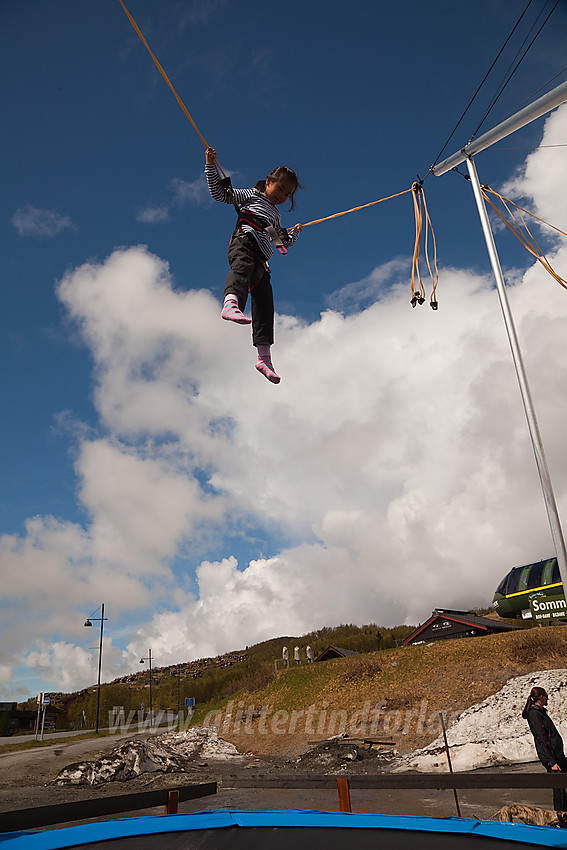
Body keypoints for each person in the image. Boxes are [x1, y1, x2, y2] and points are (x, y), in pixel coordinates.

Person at [205, 148, 302, 384]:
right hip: (244, 243)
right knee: (242, 269)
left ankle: (264, 357)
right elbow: (220, 194)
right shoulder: (252, 195)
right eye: (280, 188)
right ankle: (231, 303)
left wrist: (295, 233)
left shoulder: (276, 218)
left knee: (265, 304)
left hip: (262, 259)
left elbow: (281, 242)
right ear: (268, 182)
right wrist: (210, 165)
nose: (282, 195)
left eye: (287, 194)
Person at [523, 686, 567, 813]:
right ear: (541, 697)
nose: (548, 698)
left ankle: (564, 813)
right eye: (546, 696)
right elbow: (541, 738)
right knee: (558, 789)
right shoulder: (534, 714)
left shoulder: (541, 712)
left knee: (562, 785)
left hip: (556, 754)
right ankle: (560, 817)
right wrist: (551, 761)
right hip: (551, 757)